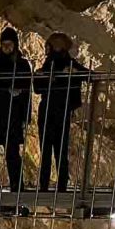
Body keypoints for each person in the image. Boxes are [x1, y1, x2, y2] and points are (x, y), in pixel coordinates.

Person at [0, 26, 32, 195]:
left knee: (12, 153)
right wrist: (6, 89)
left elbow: (26, 88)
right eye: (4, 44)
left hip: (13, 115)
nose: (7, 47)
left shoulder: (22, 64)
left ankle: (17, 186)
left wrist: (25, 114)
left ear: (15, 44)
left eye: (10, 44)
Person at [35, 31, 88, 192]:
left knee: (58, 149)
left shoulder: (68, 64)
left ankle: (54, 185)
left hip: (58, 109)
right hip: (52, 109)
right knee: (51, 148)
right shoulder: (48, 64)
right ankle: (51, 185)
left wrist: (72, 74)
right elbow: (38, 88)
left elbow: (89, 75)